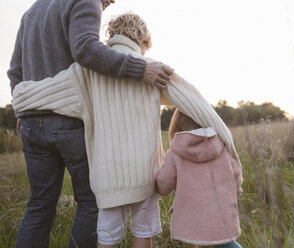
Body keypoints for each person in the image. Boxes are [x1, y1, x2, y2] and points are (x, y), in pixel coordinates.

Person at [12, 11, 242, 248]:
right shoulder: (151, 68)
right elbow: (196, 102)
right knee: (143, 234)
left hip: (107, 178)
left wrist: (19, 101)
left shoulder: (85, 71)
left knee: (107, 239)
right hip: (145, 175)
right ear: (143, 40)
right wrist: (228, 143)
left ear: (111, 35)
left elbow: (43, 92)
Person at [7, 0, 173, 247]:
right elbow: (86, 49)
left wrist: (21, 110)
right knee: (90, 203)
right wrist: (141, 69)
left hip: (31, 123)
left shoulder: (32, 11)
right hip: (70, 120)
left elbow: (15, 71)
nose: (107, 4)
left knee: (39, 205)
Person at [156, 109, 243, 248]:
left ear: (175, 126)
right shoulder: (222, 146)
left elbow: (163, 185)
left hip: (192, 217)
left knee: (200, 244)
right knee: (226, 243)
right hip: (221, 212)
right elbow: (236, 175)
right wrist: (235, 193)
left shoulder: (174, 153)